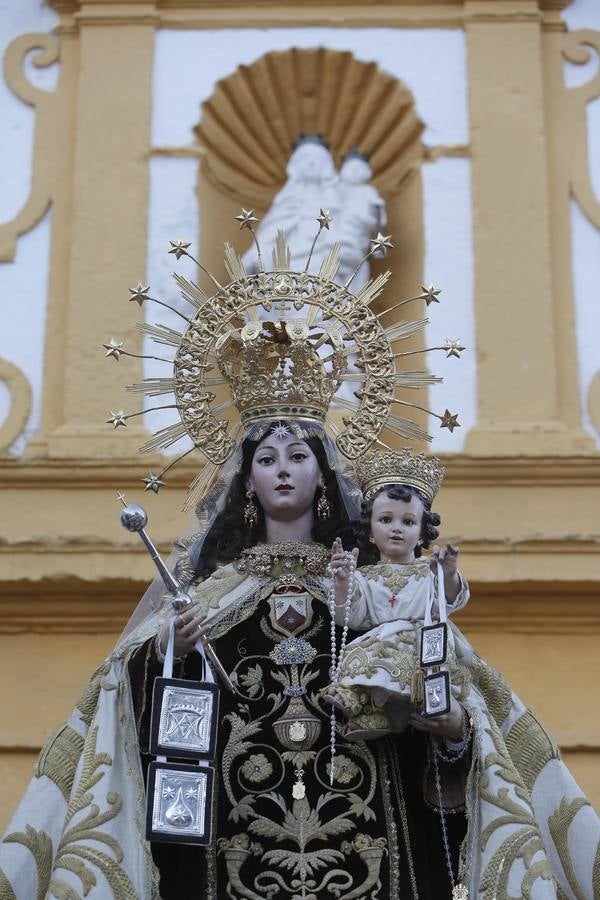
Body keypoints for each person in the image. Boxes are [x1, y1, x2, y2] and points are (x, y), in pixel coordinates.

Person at [324, 450, 469, 742]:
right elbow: (350, 616)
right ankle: (371, 712)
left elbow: (450, 601)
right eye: (386, 519)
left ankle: (367, 702)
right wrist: (342, 581)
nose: (396, 529)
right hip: (380, 642)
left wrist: (448, 575)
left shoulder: (429, 569)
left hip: (419, 647)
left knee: (382, 645)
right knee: (359, 648)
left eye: (408, 522)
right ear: (369, 531)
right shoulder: (364, 577)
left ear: (422, 533)